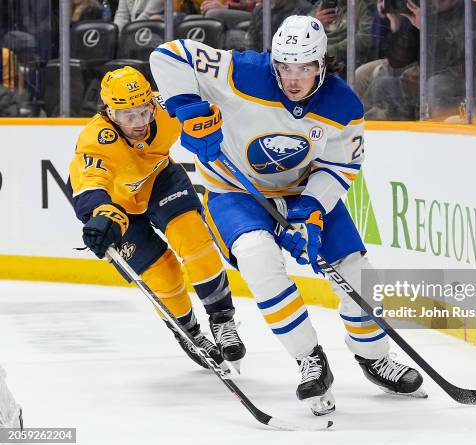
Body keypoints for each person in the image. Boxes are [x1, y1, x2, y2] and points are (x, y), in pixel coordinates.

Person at [149, 15, 425, 416]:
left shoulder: (343, 105)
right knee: (257, 255)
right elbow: (169, 55)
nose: (293, 79)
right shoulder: (240, 71)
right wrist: (189, 109)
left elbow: (340, 167)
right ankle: (309, 359)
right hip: (234, 191)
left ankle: (375, 358)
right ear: (273, 62)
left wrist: (310, 211)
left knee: (357, 271)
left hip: (301, 190)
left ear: (322, 64)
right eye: (285, 68)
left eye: (304, 69)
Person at [68, 67, 246, 372]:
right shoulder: (96, 139)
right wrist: (100, 215)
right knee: (163, 273)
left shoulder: (166, 110)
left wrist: (211, 124)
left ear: (152, 102)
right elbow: (89, 183)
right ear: (109, 113)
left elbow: (216, 101)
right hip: (116, 205)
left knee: (194, 241)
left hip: (162, 181)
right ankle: (189, 333)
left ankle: (223, 320)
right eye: (128, 116)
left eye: (143, 112)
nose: (139, 123)